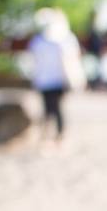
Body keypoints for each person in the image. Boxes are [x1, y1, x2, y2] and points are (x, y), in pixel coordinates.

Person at [27, 8, 86, 142]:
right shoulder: (64, 38)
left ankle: (52, 136)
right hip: (54, 79)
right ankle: (54, 136)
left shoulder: (39, 40)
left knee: (51, 109)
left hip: (51, 80)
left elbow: (34, 59)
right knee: (54, 109)